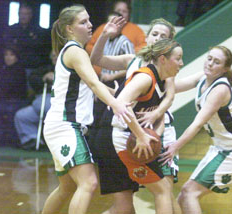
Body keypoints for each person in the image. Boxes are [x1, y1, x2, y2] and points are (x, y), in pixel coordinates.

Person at [41, 5, 132, 214]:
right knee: (89, 182)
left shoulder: (75, 52)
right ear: (69, 29)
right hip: (65, 126)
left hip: (62, 126)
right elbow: (94, 84)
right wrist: (116, 104)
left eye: (89, 20)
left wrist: (120, 96)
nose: (90, 25)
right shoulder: (74, 50)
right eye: (83, 22)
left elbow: (92, 85)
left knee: (68, 187)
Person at [90, 18, 181, 214]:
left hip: (130, 131)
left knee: (125, 207)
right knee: (158, 192)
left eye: (163, 36)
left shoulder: (165, 72)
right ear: (147, 37)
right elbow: (96, 61)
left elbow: (170, 97)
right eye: (154, 34)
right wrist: (105, 35)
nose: (157, 39)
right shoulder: (140, 67)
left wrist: (155, 117)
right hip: (117, 130)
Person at [161, 46, 232, 214]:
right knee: (184, 196)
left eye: (217, 62)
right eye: (209, 58)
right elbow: (173, 87)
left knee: (189, 194)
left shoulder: (220, 89)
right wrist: (150, 78)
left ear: (225, 69)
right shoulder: (203, 77)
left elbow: (197, 124)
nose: (210, 63)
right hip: (223, 148)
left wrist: (176, 146)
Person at [88, 11, 135, 159]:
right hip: (104, 81)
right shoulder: (105, 41)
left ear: (121, 26)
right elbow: (96, 59)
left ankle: (110, 153)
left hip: (118, 82)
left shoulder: (125, 42)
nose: (112, 27)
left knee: (108, 119)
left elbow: (132, 68)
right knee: (97, 118)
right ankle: (94, 154)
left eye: (115, 23)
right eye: (109, 23)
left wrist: (113, 75)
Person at [86, 0, 146, 75]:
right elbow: (91, 50)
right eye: (118, 11)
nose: (121, 14)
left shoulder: (129, 37)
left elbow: (134, 60)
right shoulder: (104, 33)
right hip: (101, 73)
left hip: (120, 75)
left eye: (124, 11)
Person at [14, 51, 57, 150]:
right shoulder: (46, 68)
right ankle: (32, 140)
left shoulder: (71, 69)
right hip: (41, 100)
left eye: (59, 55)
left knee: (45, 105)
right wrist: (44, 77)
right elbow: (33, 78)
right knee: (21, 116)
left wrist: (57, 76)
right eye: (54, 55)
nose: (55, 57)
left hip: (60, 102)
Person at [0, 44, 28, 146]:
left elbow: (8, 87)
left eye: (11, 55)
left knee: (11, 110)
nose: (8, 57)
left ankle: (12, 140)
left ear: (16, 57)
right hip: (5, 101)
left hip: (19, 101)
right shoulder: (3, 69)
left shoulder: (20, 69)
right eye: (6, 55)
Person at [3, 2, 51, 85]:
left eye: (26, 14)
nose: (23, 16)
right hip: (15, 69)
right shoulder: (12, 29)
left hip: (31, 68)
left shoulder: (38, 31)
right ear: (18, 14)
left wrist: (21, 42)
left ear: (31, 15)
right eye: (21, 13)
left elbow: (40, 48)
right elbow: (9, 47)